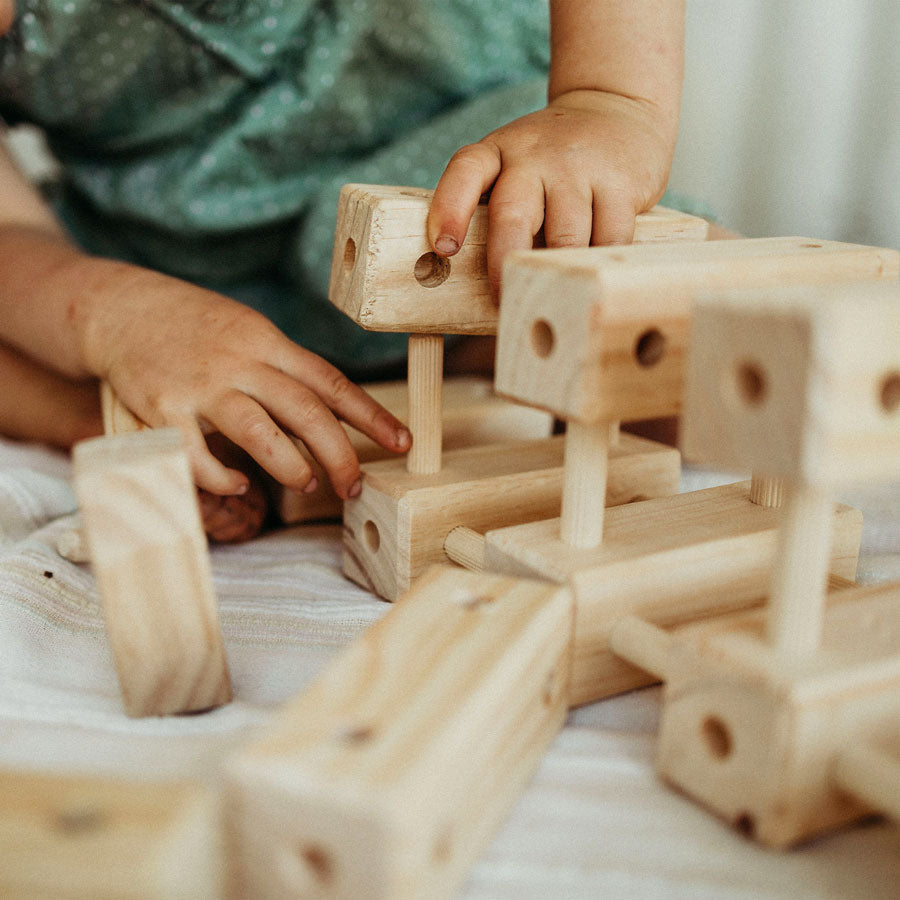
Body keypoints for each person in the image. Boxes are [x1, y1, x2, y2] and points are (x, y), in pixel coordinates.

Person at [0, 0, 694, 540]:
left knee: (667, 338)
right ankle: (109, 421)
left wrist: (609, 98)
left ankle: (487, 363)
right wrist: (112, 314)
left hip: (468, 173)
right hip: (167, 261)